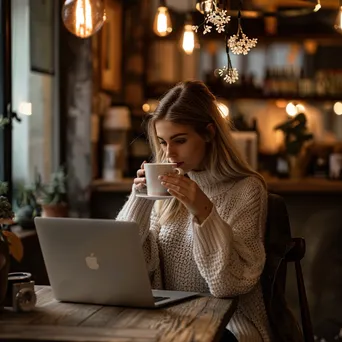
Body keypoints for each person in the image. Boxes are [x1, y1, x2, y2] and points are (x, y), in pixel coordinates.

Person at [116, 80, 271, 342]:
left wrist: (203, 211)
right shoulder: (168, 190)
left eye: (180, 140)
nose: (169, 153)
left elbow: (228, 285)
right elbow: (127, 267)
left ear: (209, 133)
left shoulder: (247, 190)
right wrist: (140, 200)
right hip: (169, 318)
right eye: (163, 142)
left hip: (230, 324)